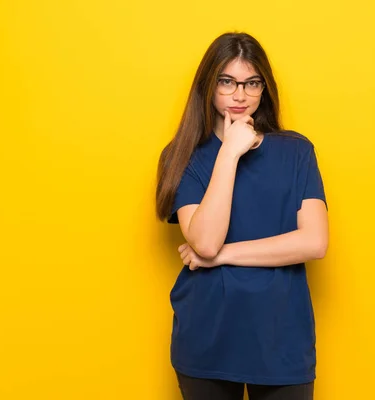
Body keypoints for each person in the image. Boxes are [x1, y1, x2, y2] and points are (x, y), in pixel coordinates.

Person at [155, 31, 329, 400]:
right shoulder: (183, 156)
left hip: (281, 338)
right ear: (208, 86)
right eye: (227, 82)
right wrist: (230, 153)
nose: (240, 95)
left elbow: (314, 242)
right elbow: (204, 239)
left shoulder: (296, 152)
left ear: (264, 88)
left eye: (252, 83)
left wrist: (220, 257)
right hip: (208, 337)